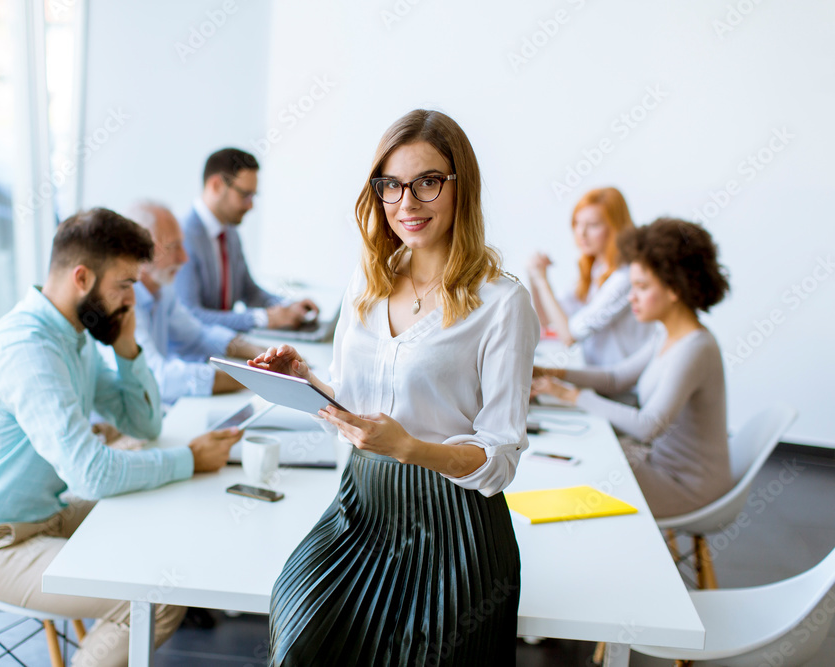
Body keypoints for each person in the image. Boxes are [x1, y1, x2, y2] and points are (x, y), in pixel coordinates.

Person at [251, 110, 539, 665]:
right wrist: (305, 381)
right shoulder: (367, 281)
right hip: (362, 507)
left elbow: (500, 459)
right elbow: (360, 410)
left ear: (461, 187)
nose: (406, 203)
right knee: (299, 640)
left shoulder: (502, 302)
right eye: (390, 186)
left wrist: (408, 447)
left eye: (427, 182)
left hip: (453, 530)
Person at [0, 208, 243, 667]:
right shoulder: (28, 349)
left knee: (164, 520)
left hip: (40, 516)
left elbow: (143, 425)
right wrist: (189, 459)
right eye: (124, 285)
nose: (131, 299)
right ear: (82, 277)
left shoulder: (74, 336)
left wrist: (128, 349)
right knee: (154, 599)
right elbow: (91, 473)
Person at [532, 218, 731, 519]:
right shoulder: (666, 333)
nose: (631, 297)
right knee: (582, 458)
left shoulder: (696, 348)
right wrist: (552, 373)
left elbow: (648, 426)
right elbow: (616, 377)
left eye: (641, 287)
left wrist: (569, 395)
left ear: (674, 288)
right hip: (659, 464)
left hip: (688, 488)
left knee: (584, 471)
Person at [106, 200, 266, 405]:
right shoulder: (123, 302)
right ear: (139, 253)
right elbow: (157, 378)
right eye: (173, 247)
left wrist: (260, 353)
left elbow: (199, 337)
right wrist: (251, 379)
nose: (184, 258)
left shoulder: (162, 291)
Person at [175, 147, 318, 331]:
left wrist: (288, 306)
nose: (251, 205)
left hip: (229, 344)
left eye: (253, 195)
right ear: (216, 185)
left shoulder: (229, 232)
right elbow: (191, 316)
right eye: (244, 195)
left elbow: (250, 292)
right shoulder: (182, 236)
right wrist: (259, 319)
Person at [527, 187, 655, 366]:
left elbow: (569, 336)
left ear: (615, 228)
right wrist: (534, 278)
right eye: (577, 224)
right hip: (603, 380)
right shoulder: (596, 268)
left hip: (625, 389)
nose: (581, 233)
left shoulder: (625, 278)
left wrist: (542, 281)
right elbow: (546, 320)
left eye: (593, 225)